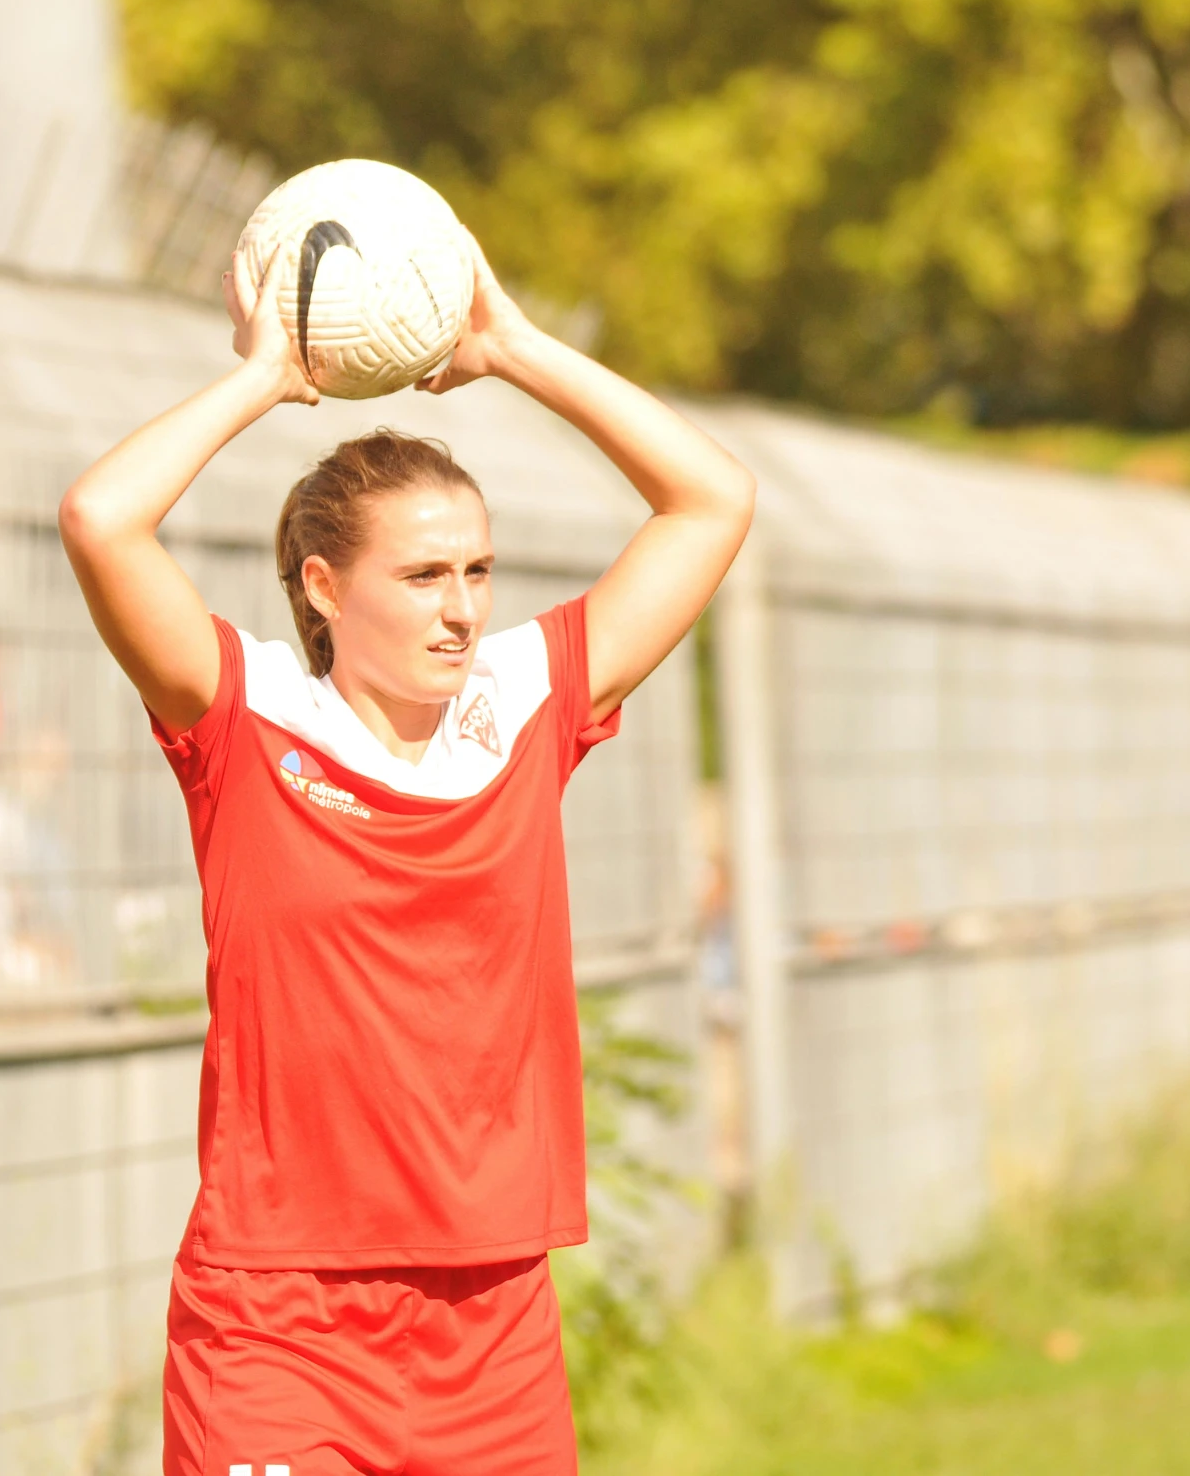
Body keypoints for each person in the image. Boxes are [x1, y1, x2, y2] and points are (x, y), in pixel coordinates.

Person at [59, 232, 754, 1476]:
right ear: (323, 587)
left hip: (490, 1321)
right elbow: (101, 520)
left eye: (479, 571)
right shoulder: (243, 715)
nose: (464, 605)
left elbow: (712, 500)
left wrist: (520, 351)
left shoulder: (527, 704)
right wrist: (266, 379)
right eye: (426, 573)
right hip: (279, 1316)